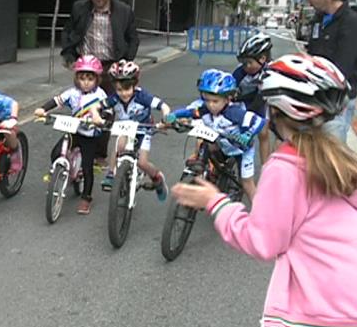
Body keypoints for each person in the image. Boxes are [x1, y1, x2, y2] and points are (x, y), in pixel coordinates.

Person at [170, 53, 357, 327]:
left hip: (328, 318)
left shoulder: (286, 167)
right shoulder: (342, 161)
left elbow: (262, 241)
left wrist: (216, 202)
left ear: (276, 114)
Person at [164, 69, 265, 201]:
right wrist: (174, 115)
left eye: (215, 101)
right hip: (222, 143)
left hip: (241, 149)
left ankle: (259, 215)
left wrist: (248, 134)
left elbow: (258, 121)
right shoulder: (205, 110)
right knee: (204, 142)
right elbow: (190, 112)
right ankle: (205, 169)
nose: (210, 105)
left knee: (247, 184)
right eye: (206, 100)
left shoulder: (234, 113)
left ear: (228, 99)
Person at [34, 55, 107, 215]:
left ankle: (86, 198)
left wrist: (100, 119)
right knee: (56, 152)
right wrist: (43, 109)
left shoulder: (100, 95)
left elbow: (107, 111)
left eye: (90, 78)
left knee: (87, 168)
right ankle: (57, 172)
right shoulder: (72, 93)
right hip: (74, 131)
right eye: (82, 78)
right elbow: (57, 100)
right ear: (77, 79)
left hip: (89, 135)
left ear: (96, 79)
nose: (86, 82)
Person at [300, 0, 357, 142]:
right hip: (316, 97)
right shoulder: (319, 20)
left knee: (331, 152)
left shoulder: (351, 22)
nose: (309, 2)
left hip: (336, 101)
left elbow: (341, 69)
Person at [98, 61, 171, 201]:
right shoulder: (114, 98)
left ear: (135, 85)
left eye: (127, 89)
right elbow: (97, 107)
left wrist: (166, 119)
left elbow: (163, 106)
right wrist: (96, 116)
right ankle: (111, 174)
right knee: (119, 146)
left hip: (144, 129)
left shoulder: (142, 96)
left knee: (142, 162)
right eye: (119, 90)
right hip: (126, 129)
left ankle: (157, 178)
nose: (123, 93)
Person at [61, 0, 140, 95]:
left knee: (109, 107)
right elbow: (67, 31)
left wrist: (125, 61)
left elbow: (133, 39)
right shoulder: (79, 8)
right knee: (83, 107)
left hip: (111, 68)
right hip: (86, 68)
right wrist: (70, 56)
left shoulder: (124, 11)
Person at [234, 32, 273, 164]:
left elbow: (260, 100)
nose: (246, 67)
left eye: (249, 63)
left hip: (261, 101)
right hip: (242, 100)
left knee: (263, 133)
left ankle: (265, 167)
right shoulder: (240, 72)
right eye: (243, 63)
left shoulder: (270, 72)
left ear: (262, 59)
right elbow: (229, 89)